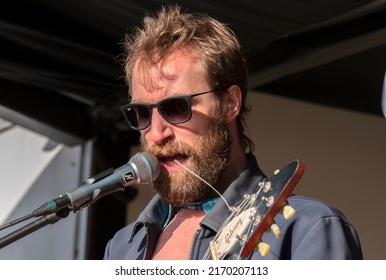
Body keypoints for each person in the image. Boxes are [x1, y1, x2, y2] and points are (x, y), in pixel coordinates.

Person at [103, 5, 363, 260]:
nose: (157, 134)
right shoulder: (121, 248)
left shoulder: (308, 229)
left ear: (230, 103)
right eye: (141, 113)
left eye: (175, 107)